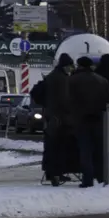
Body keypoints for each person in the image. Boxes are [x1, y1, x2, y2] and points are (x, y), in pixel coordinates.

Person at [70, 56, 109, 188]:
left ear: (79, 65)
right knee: (100, 149)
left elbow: (67, 99)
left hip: (80, 119)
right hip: (99, 118)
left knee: (85, 150)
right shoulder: (102, 80)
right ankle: (101, 177)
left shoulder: (72, 80)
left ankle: (87, 179)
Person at [39, 54, 77, 186]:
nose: (71, 69)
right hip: (60, 118)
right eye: (70, 66)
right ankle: (57, 173)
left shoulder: (51, 76)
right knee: (59, 146)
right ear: (66, 66)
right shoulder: (62, 79)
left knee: (50, 146)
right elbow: (65, 100)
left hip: (50, 116)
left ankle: (50, 172)